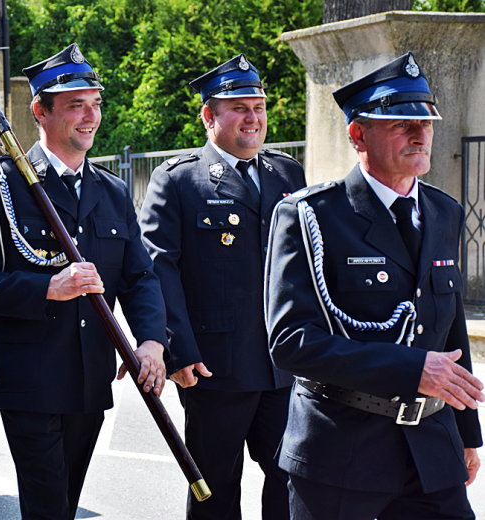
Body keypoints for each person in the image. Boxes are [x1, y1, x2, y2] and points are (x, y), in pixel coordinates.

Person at [0, 43, 167, 520]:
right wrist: (47, 287)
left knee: (63, 506)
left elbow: (139, 277)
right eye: (75, 105)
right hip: (30, 380)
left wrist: (152, 341)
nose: (90, 116)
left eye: (95, 103)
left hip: (90, 382)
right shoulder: (3, 181)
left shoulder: (111, 190)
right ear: (40, 112)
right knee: (47, 506)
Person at [265, 52, 484, 519]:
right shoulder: (312, 217)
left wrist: (466, 434)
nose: (420, 132)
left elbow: (450, 331)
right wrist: (410, 369)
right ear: (358, 134)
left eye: (425, 121)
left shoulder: (444, 212)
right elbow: (291, 343)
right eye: (400, 123)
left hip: (430, 448)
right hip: (342, 449)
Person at [139, 54, 305, 520]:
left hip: (284, 366)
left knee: (293, 483)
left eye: (259, 106)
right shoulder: (178, 179)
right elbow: (158, 268)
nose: (253, 118)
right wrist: (178, 349)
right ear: (210, 116)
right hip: (215, 367)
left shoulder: (287, 174)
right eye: (240, 108)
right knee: (214, 489)